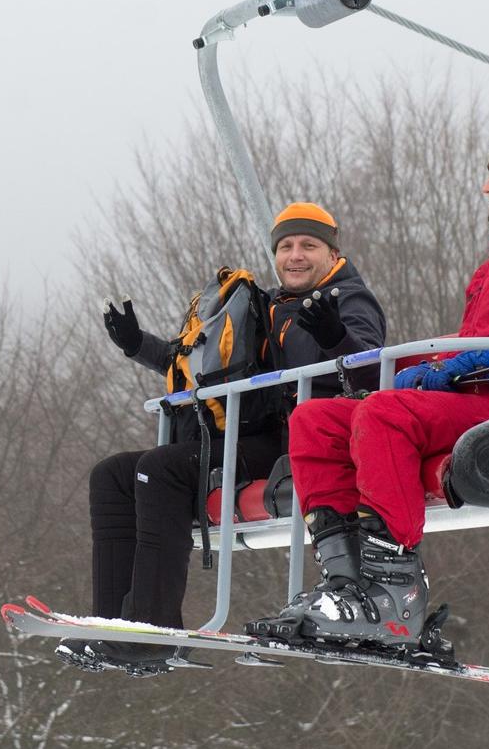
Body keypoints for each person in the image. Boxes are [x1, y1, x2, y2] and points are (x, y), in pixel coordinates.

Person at [247, 120, 489, 649]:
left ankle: (394, 591)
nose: (488, 186)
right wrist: (431, 369)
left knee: (385, 415)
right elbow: (468, 350)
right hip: (476, 412)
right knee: (315, 420)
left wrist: (472, 362)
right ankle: (347, 583)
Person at [68, 202, 387, 671]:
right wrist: (140, 346)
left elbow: (373, 373)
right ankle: (114, 624)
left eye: (308, 245)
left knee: (161, 470)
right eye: (285, 247)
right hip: (259, 431)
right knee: (112, 474)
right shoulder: (274, 305)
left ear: (332, 251)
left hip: (306, 441)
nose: (295, 256)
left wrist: (335, 333)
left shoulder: (348, 299)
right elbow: (218, 369)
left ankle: (152, 631)